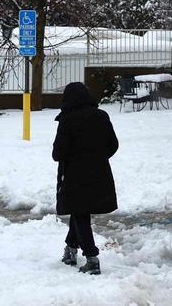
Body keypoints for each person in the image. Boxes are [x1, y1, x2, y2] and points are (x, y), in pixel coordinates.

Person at [52, 81, 119, 275]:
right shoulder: (101, 116)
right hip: (99, 173)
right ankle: (71, 250)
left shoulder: (67, 119)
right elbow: (113, 144)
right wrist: (97, 157)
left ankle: (92, 258)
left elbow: (58, 153)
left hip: (74, 175)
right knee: (80, 211)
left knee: (79, 212)